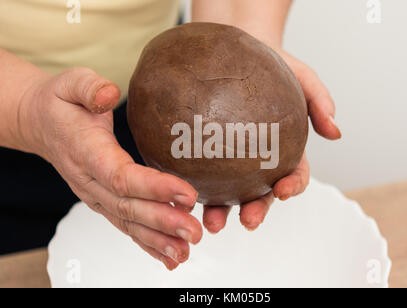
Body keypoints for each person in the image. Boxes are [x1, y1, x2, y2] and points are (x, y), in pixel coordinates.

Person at [0, 0, 341, 270]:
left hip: (162, 111)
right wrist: (24, 108)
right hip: (10, 134)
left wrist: (243, 34)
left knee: (134, 260)